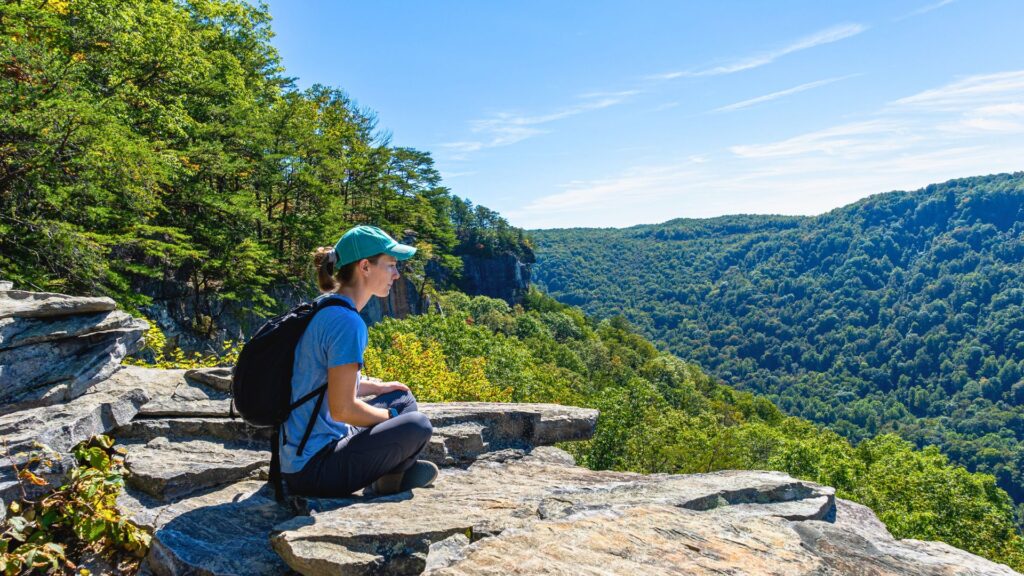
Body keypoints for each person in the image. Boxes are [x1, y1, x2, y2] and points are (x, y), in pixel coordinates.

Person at [280, 225, 437, 498]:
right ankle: (388, 480)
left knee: (402, 397)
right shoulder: (346, 323)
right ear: (365, 266)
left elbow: (323, 382)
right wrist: (391, 418)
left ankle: (388, 478)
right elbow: (342, 410)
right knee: (417, 425)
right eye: (390, 265)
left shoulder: (327, 306)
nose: (397, 274)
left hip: (304, 452)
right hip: (314, 469)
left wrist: (377, 388)